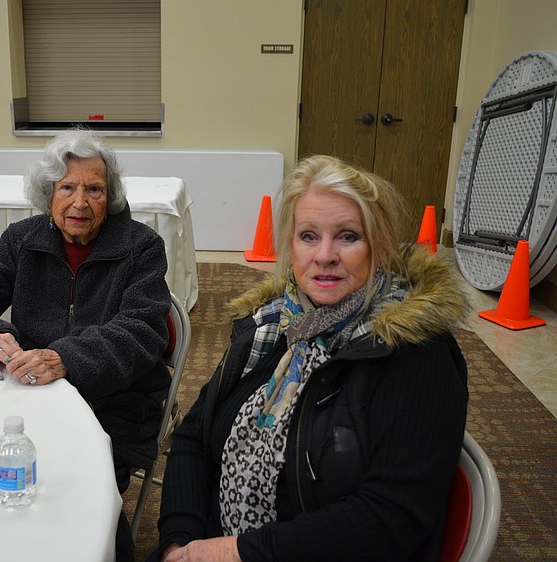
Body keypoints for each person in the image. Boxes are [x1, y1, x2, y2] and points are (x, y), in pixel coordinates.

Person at [150, 155, 469, 561]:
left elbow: (390, 519)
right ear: (290, 246)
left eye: (348, 236)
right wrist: (180, 540)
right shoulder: (275, 326)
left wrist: (235, 552)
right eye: (308, 236)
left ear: (381, 247)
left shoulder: (415, 354)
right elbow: (195, 436)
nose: (325, 255)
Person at [0, 128, 171, 562]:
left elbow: (142, 333)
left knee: (79, 497)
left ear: (110, 197)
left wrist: (67, 359)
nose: (80, 202)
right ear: (49, 194)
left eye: (94, 189)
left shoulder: (142, 248)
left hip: (113, 402)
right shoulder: (24, 240)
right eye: (67, 188)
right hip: (27, 394)